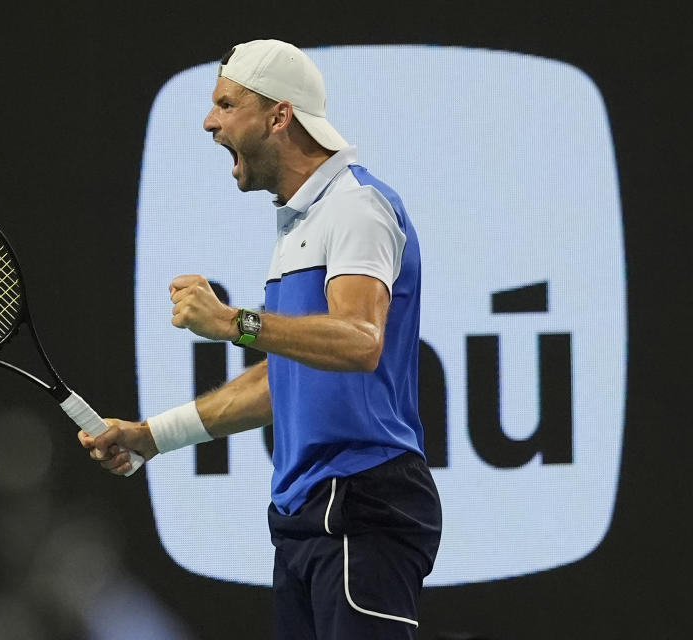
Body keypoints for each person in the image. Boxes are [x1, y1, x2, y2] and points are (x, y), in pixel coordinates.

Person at [77, 39, 442, 640]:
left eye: (225, 103)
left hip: (361, 502)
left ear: (279, 116)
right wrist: (151, 437)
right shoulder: (300, 222)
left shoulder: (357, 207)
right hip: (304, 515)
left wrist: (232, 323)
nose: (209, 121)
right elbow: (283, 381)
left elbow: (359, 339)